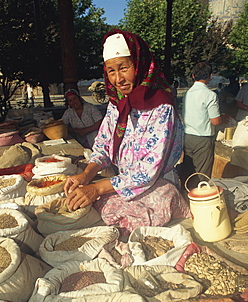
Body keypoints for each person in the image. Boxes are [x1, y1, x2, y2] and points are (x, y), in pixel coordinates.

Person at [64, 29, 190, 236]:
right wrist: (86, 175)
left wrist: (96, 189)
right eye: (111, 71)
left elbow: (148, 171)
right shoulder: (117, 105)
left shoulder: (160, 107)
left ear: (139, 65)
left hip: (158, 187)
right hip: (122, 184)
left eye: (124, 68)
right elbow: (103, 145)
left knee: (130, 230)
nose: (118, 79)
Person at [180, 61, 223, 188]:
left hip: (187, 136)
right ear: (210, 76)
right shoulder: (210, 95)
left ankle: (185, 195)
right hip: (202, 139)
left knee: (188, 169)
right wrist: (222, 118)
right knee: (201, 174)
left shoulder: (188, 93)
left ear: (193, 76)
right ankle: (197, 200)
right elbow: (215, 121)